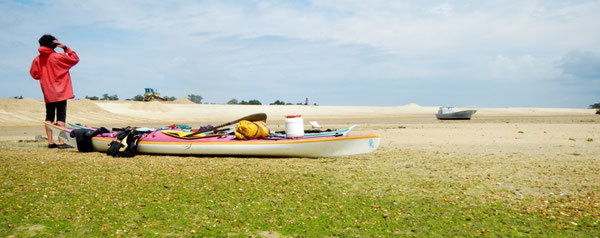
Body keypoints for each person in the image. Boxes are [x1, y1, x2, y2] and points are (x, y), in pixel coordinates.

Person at [30, 34, 80, 149]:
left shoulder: (37, 59)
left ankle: (51, 142)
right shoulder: (59, 57)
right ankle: (61, 141)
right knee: (61, 117)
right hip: (61, 91)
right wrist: (65, 47)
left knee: (49, 116)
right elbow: (75, 59)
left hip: (48, 91)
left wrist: (45, 76)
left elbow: (34, 74)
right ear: (54, 44)